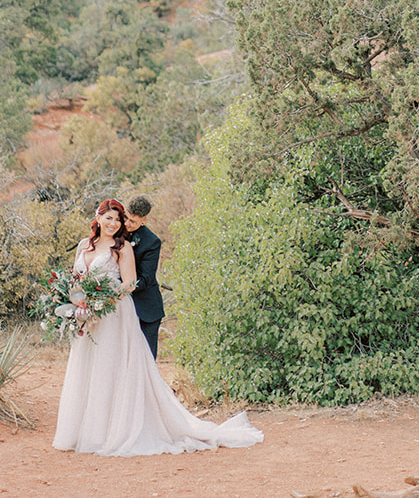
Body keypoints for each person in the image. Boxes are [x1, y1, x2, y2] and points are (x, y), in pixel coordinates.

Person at [52, 199, 262, 456]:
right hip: (87, 316)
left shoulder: (123, 247)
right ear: (98, 218)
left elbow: (129, 283)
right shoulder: (84, 245)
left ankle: (112, 432)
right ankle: (84, 430)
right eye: (109, 218)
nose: (114, 223)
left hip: (113, 313)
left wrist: (99, 304)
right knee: (88, 368)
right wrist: (78, 304)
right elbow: (76, 278)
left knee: (112, 368)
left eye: (117, 220)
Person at [122, 195, 164, 358]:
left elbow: (145, 279)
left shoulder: (152, 242)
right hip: (120, 309)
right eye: (126, 217)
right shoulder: (114, 229)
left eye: (133, 221)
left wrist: (120, 288)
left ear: (144, 221)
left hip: (146, 309)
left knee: (144, 359)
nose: (127, 224)